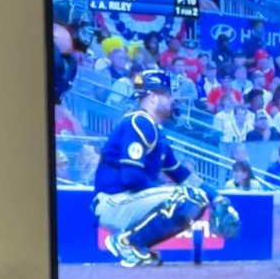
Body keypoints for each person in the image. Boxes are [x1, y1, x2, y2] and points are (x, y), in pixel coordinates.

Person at [92, 70, 239, 267]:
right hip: (115, 201)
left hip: (129, 201)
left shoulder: (154, 129)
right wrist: (166, 191)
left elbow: (181, 175)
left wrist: (216, 197)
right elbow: (131, 177)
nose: (172, 100)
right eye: (168, 95)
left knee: (195, 200)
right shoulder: (139, 121)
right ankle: (126, 242)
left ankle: (135, 244)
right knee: (186, 198)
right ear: (152, 97)